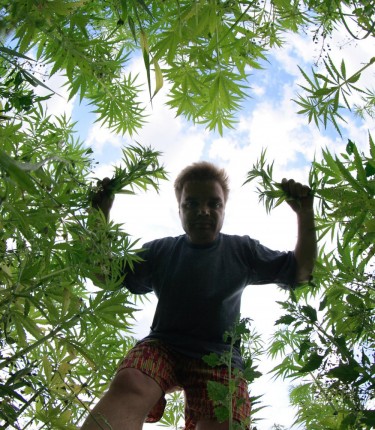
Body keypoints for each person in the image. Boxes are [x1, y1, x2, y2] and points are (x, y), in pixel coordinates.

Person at [82, 162, 317, 430]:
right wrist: (98, 213)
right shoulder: (161, 251)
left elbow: (301, 271)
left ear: (224, 209)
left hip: (219, 355)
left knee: (225, 420)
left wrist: (305, 213)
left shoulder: (241, 250)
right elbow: (104, 275)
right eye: (191, 204)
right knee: (132, 382)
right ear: (179, 210)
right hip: (164, 345)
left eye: (213, 204)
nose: (203, 211)